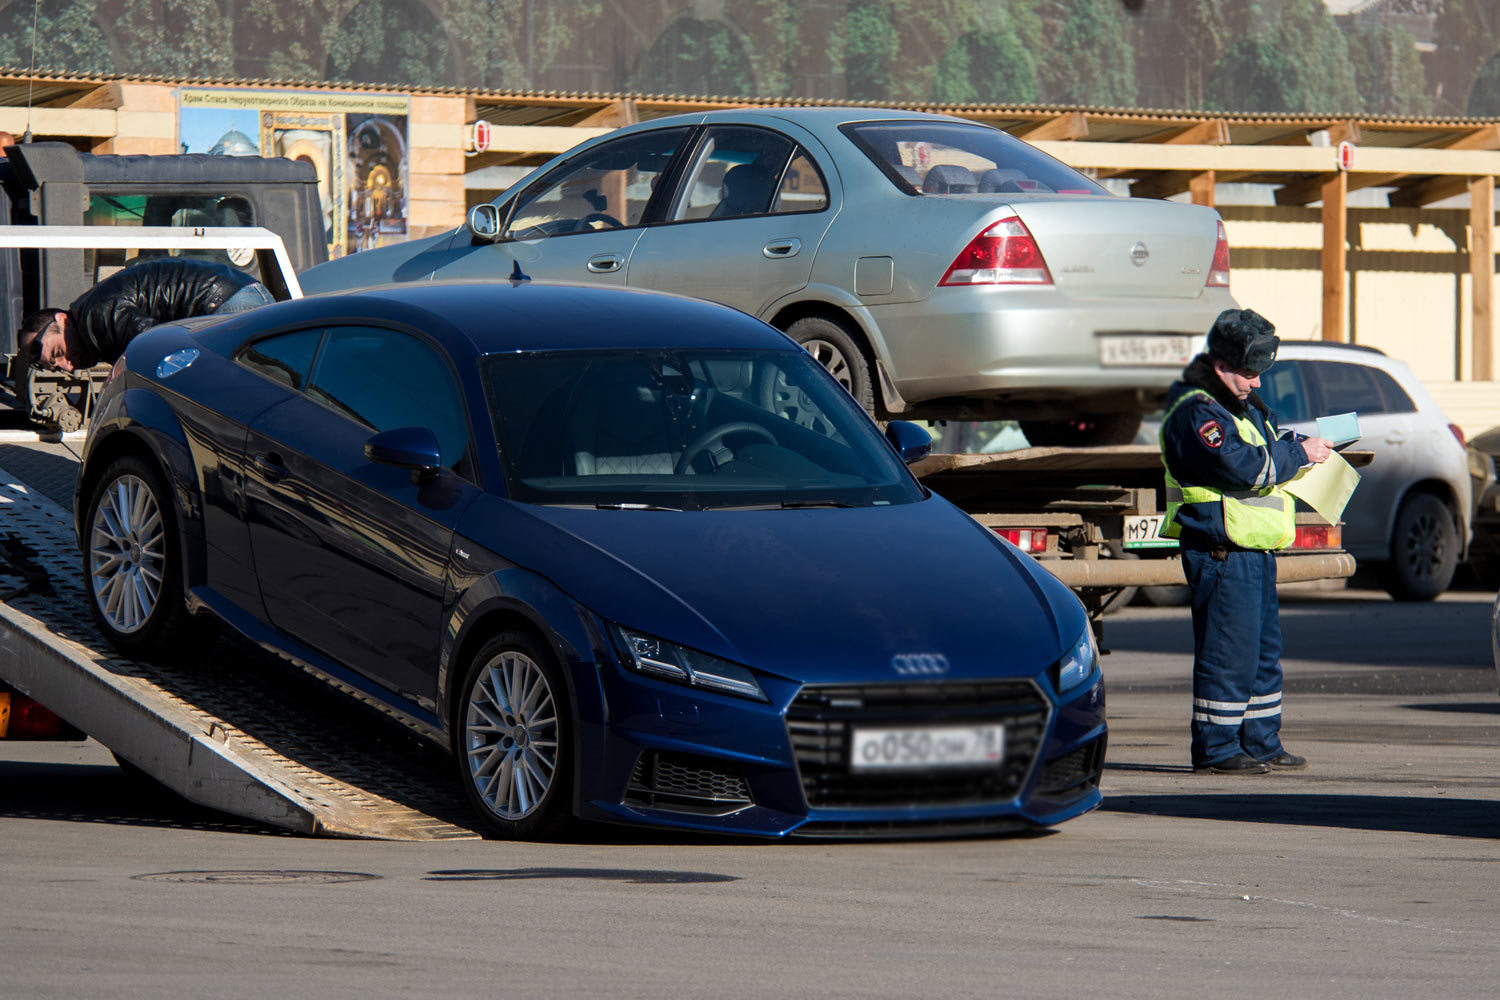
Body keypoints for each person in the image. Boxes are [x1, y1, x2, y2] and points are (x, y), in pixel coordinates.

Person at [1159, 307, 1333, 775]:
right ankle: (1216, 750)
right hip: (1221, 550)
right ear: (1221, 366)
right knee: (1227, 654)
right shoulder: (1195, 411)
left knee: (1260, 655)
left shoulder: (1238, 405)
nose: (1257, 383)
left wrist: (1301, 443)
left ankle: (1259, 740)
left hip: (1251, 549)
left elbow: (1263, 445)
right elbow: (1244, 467)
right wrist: (1299, 452)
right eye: (1250, 372)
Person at [17, 258, 273, 374]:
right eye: (58, 368)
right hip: (233, 295)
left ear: (62, 320)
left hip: (223, 303)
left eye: (58, 353)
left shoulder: (98, 318)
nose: (68, 366)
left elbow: (162, 347)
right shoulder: (92, 318)